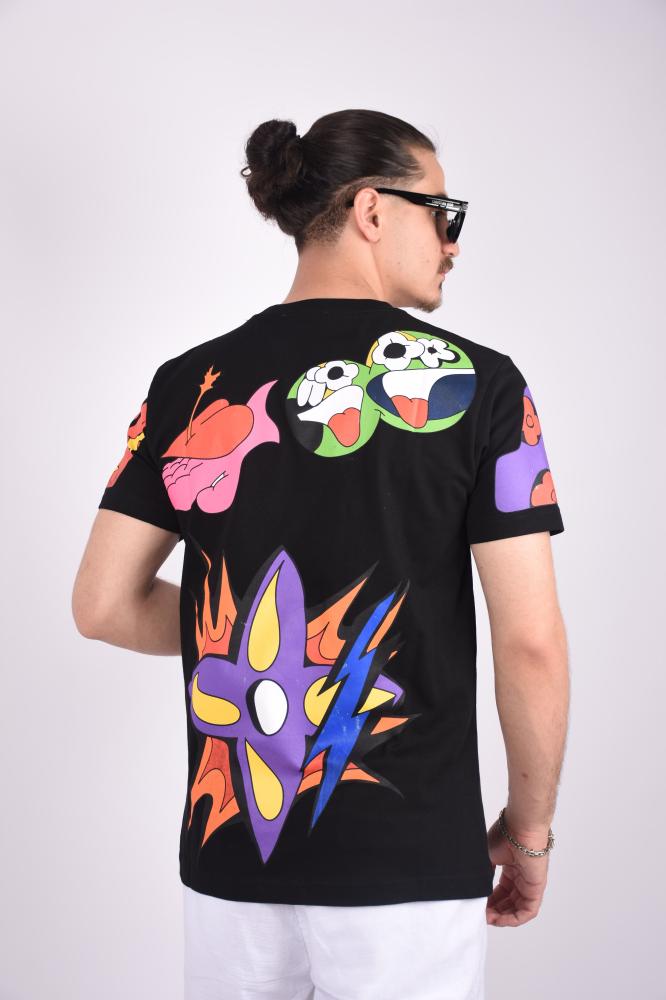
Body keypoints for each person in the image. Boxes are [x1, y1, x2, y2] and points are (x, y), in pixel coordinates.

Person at [71, 109, 570, 1000]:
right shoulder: (479, 387)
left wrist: (252, 654)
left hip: (232, 856)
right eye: (444, 212)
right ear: (373, 210)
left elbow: (104, 605)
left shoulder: (190, 385)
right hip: (407, 869)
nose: (453, 243)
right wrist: (529, 837)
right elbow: (529, 643)